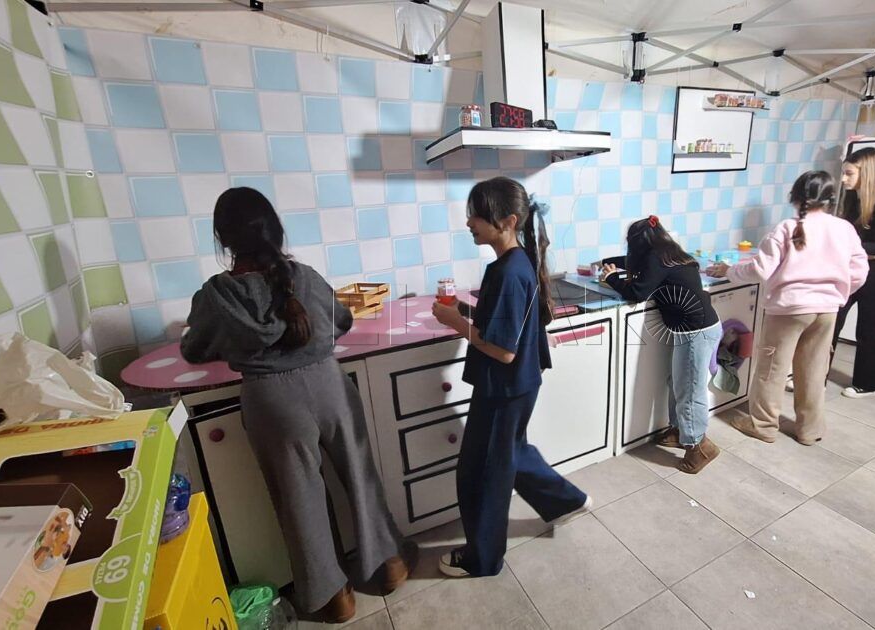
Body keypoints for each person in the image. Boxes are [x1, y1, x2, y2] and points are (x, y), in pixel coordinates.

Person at [181, 187, 410, 624]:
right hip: (329, 384)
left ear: (223, 239)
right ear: (275, 230)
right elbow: (341, 321)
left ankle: (335, 599)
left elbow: (195, 348)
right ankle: (390, 567)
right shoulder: (303, 276)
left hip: (272, 401)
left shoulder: (217, 295)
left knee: (299, 500)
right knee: (360, 477)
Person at [432, 176, 591, 578]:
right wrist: (463, 313)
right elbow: (505, 326)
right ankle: (567, 501)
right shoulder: (515, 264)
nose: (469, 223)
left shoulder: (508, 272)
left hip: (504, 387)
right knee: (509, 453)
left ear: (508, 221)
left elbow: (503, 350)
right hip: (517, 385)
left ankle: (482, 560)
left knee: (483, 471)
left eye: (477, 215)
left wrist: (455, 323)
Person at [706, 172, 868, 445]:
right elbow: (860, 272)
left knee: (772, 369)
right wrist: (834, 293)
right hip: (827, 310)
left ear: (796, 196)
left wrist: (729, 271)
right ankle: (810, 430)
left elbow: (760, 269)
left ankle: (763, 425)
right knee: (814, 370)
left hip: (788, 310)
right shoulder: (844, 229)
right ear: (830, 199)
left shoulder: (787, 228)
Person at [599, 215, 723, 473]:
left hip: (696, 332)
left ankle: (699, 447)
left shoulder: (656, 259)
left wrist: (612, 278)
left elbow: (637, 293)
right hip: (699, 327)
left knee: (689, 391)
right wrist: (608, 262)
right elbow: (639, 265)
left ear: (637, 243)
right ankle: (680, 431)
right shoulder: (670, 253)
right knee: (679, 383)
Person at [833, 147, 875, 398]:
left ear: (867, 172)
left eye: (849, 173)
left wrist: (845, 247)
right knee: (832, 320)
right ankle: (815, 377)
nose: (843, 179)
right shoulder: (852, 199)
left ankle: (869, 384)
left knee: (868, 328)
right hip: (853, 268)